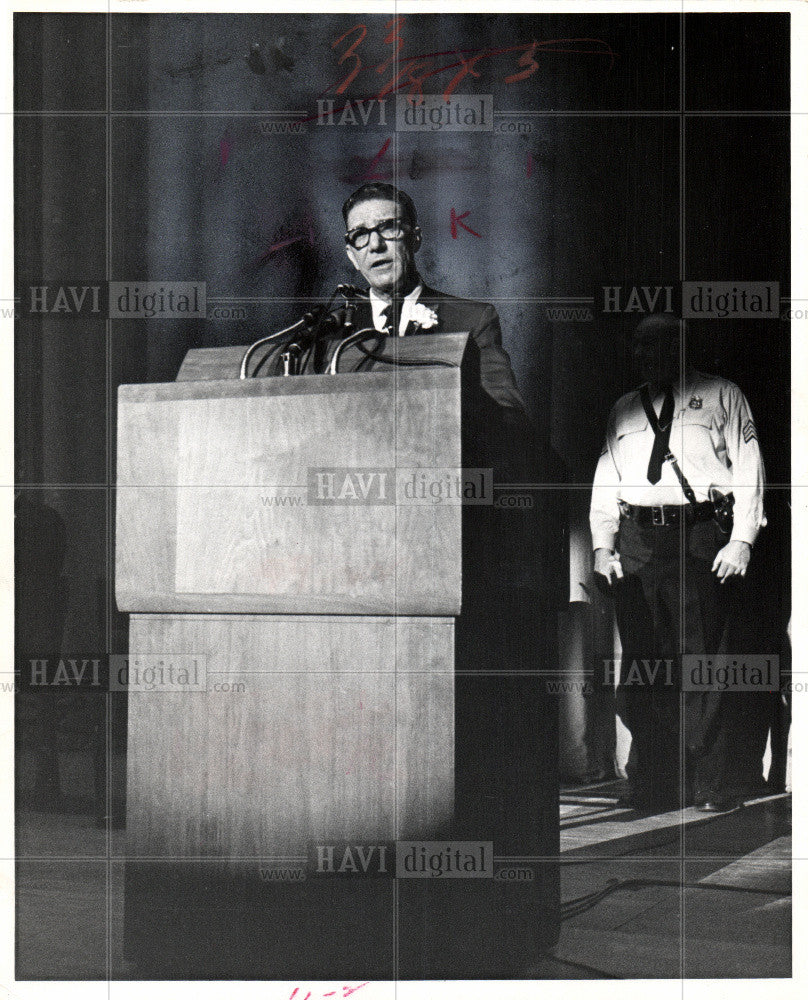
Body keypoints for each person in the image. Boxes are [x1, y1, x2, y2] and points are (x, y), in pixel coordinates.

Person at [590, 313, 766, 813]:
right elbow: (607, 476)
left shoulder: (721, 395)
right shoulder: (624, 408)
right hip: (639, 539)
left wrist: (742, 539)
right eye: (640, 346)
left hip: (700, 534)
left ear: (683, 347)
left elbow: (750, 467)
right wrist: (603, 543)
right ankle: (653, 781)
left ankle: (709, 781)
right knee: (645, 664)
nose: (648, 355)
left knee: (702, 663)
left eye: (660, 344)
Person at [315, 181, 527, 415]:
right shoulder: (328, 332)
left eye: (388, 228)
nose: (375, 245)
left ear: (415, 239)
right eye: (360, 235)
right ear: (352, 256)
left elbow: (508, 416)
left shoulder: (471, 320)